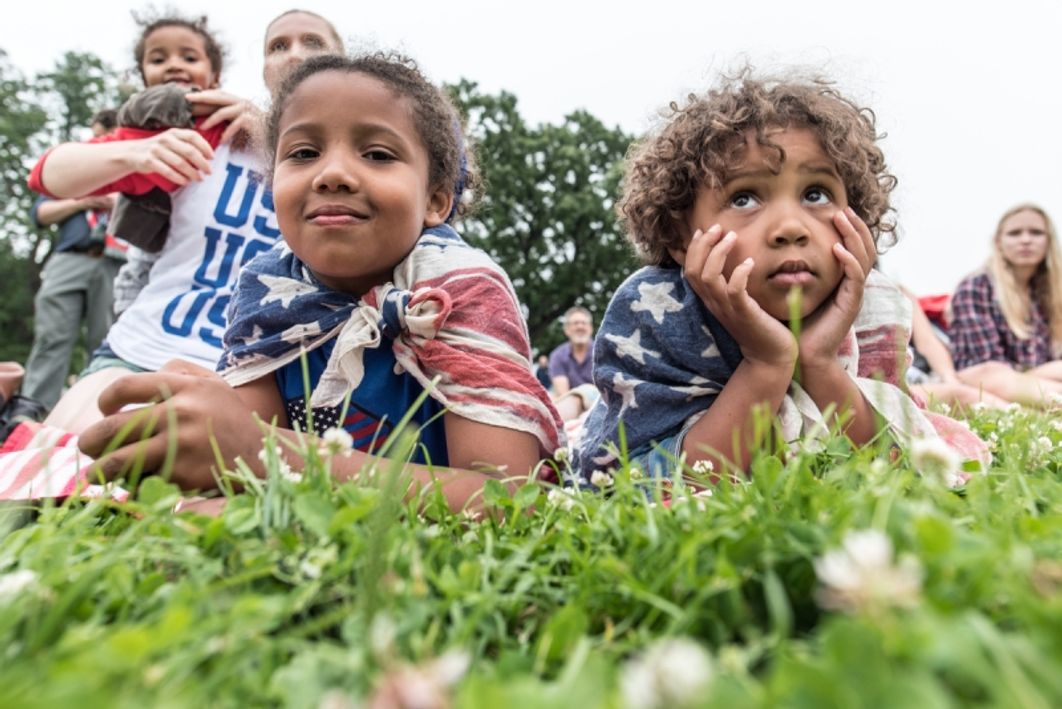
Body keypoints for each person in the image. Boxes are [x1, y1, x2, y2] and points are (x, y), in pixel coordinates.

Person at [77, 53, 563, 514]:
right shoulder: (267, 289)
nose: (332, 174)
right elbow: (240, 467)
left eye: (376, 154)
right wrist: (198, 427)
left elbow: (508, 499)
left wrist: (269, 454)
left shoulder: (460, 288)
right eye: (304, 152)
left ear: (436, 200)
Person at [574, 73, 988, 482]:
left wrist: (819, 362)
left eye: (815, 194)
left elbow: (889, 458)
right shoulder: (656, 312)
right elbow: (660, 479)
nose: (791, 227)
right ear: (682, 237)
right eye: (744, 197)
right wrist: (766, 362)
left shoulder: (872, 307)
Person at [23, 12, 343, 437]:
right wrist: (136, 154)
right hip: (143, 348)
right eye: (278, 46)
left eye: (313, 43)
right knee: (55, 457)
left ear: (343, 61)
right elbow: (49, 174)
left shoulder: (360, 159)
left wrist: (274, 133)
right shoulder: (215, 132)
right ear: (263, 66)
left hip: (262, 376)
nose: (295, 54)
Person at [19, 110, 124, 412]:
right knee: (52, 337)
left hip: (114, 262)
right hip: (71, 257)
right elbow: (40, 214)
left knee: (106, 341)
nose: (95, 140)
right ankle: (31, 413)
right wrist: (84, 201)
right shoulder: (77, 169)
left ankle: (96, 415)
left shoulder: (132, 168)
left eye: (103, 133)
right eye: (93, 134)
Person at [949, 205, 1062, 407]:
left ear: (1049, 241)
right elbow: (985, 370)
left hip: (1034, 385)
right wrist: (1050, 370)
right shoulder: (976, 287)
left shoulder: (1050, 293)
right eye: (1014, 233)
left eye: (1036, 233)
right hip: (986, 386)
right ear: (999, 242)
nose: (1025, 240)